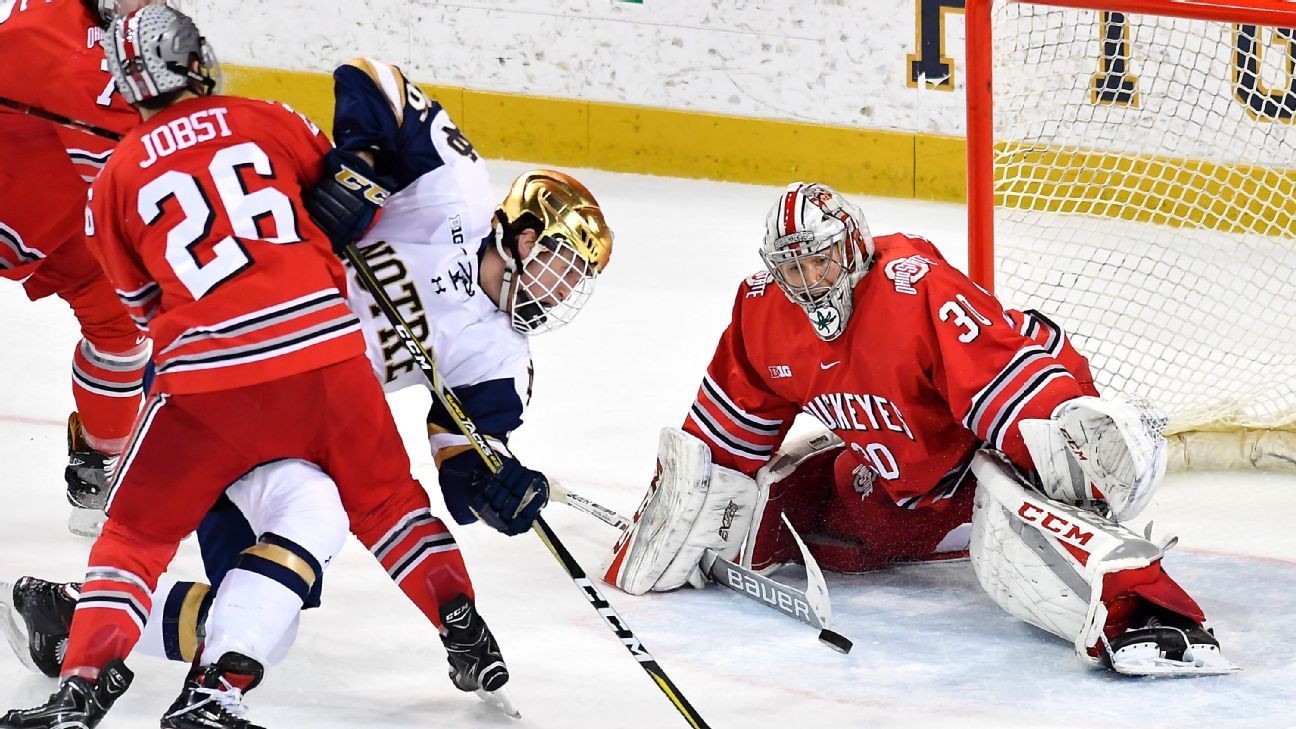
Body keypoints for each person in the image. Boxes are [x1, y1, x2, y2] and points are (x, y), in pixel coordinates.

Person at [1, 48, 613, 727]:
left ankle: (70, 616)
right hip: (241, 367)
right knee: (250, 570)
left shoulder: (503, 360)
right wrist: (364, 167)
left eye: (574, 282)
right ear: (524, 235)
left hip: (309, 410)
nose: (560, 291)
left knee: (271, 614)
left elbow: (463, 460)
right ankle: (115, 653)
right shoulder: (455, 189)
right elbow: (372, 77)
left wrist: (502, 490)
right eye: (560, 263)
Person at [601, 181, 1237, 677]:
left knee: (1015, 534)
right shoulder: (765, 311)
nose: (811, 281)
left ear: (855, 246)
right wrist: (674, 515)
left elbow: (1004, 385)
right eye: (794, 270)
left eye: (823, 261)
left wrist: (1065, 461)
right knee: (831, 503)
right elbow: (724, 436)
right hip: (904, 471)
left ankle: (1150, 613)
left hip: (982, 440)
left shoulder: (912, 286)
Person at [0, 0, 154, 536]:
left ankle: (99, 459)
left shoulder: (153, 35)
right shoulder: (40, 37)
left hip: (68, 221)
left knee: (123, 331)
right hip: (18, 190)